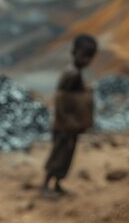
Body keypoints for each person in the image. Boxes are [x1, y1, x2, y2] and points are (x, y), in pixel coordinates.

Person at [42, 34, 98, 197]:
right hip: (65, 125)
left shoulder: (76, 73)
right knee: (59, 154)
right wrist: (67, 122)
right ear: (74, 52)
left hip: (70, 125)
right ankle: (46, 185)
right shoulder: (71, 74)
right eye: (84, 55)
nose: (86, 60)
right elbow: (62, 99)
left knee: (66, 155)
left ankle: (57, 184)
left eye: (90, 57)